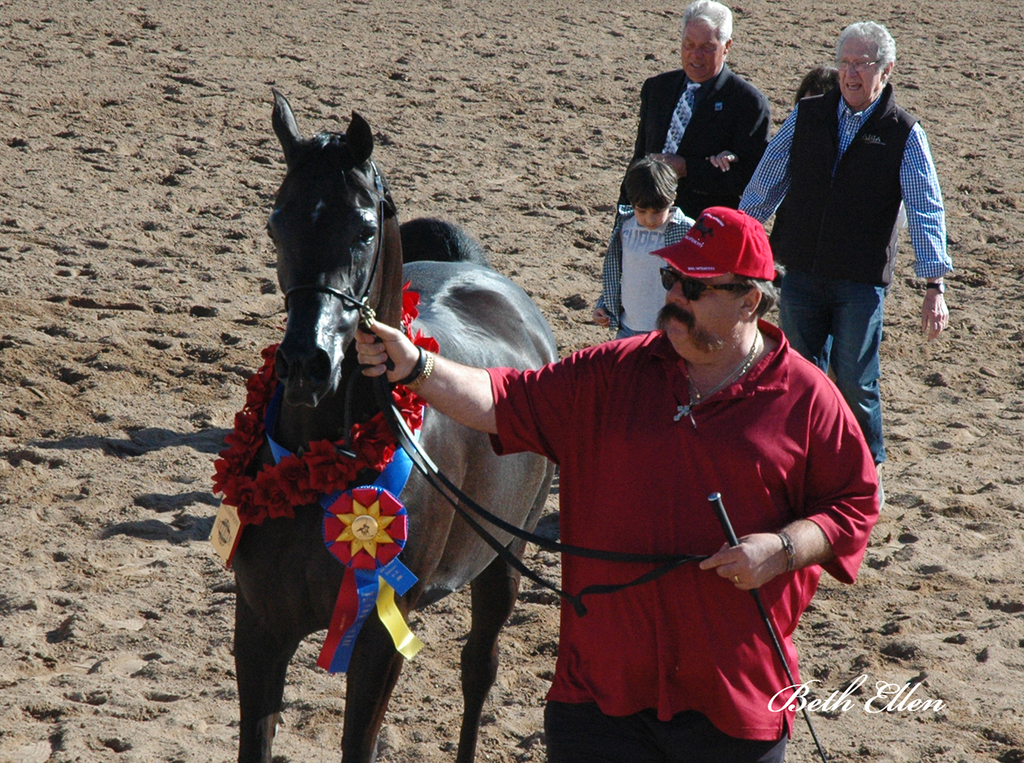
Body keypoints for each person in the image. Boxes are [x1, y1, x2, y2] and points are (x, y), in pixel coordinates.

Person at [356, 206, 878, 762]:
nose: (674, 297)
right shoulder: (608, 372)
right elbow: (500, 399)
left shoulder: (807, 397)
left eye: (694, 288)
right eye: (669, 279)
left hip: (732, 703)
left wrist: (783, 548)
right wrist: (416, 366)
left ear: (750, 300)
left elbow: (854, 504)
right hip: (598, 700)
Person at [739, 21, 952, 469]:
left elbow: (925, 207)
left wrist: (935, 285)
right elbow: (768, 179)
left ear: (887, 69)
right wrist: (742, 232)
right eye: (844, 62)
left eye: (863, 63)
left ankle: (867, 469)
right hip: (800, 272)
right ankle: (800, 467)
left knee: (857, 382)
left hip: (860, 284)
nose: (851, 72)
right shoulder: (808, 115)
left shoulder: (904, 132)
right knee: (798, 374)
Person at [618, 0, 771, 218]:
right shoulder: (657, 89)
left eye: (707, 47)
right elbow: (639, 158)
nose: (695, 55)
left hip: (702, 228)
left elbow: (750, 181)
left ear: (727, 47)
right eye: (688, 45)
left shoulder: (748, 103)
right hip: (647, 221)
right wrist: (622, 218)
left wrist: (688, 168)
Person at [594, 156, 694, 337]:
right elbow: (619, 272)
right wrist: (604, 304)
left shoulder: (687, 230)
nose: (650, 219)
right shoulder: (624, 226)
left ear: (672, 199)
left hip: (669, 331)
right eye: (641, 211)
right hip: (628, 327)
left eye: (657, 212)